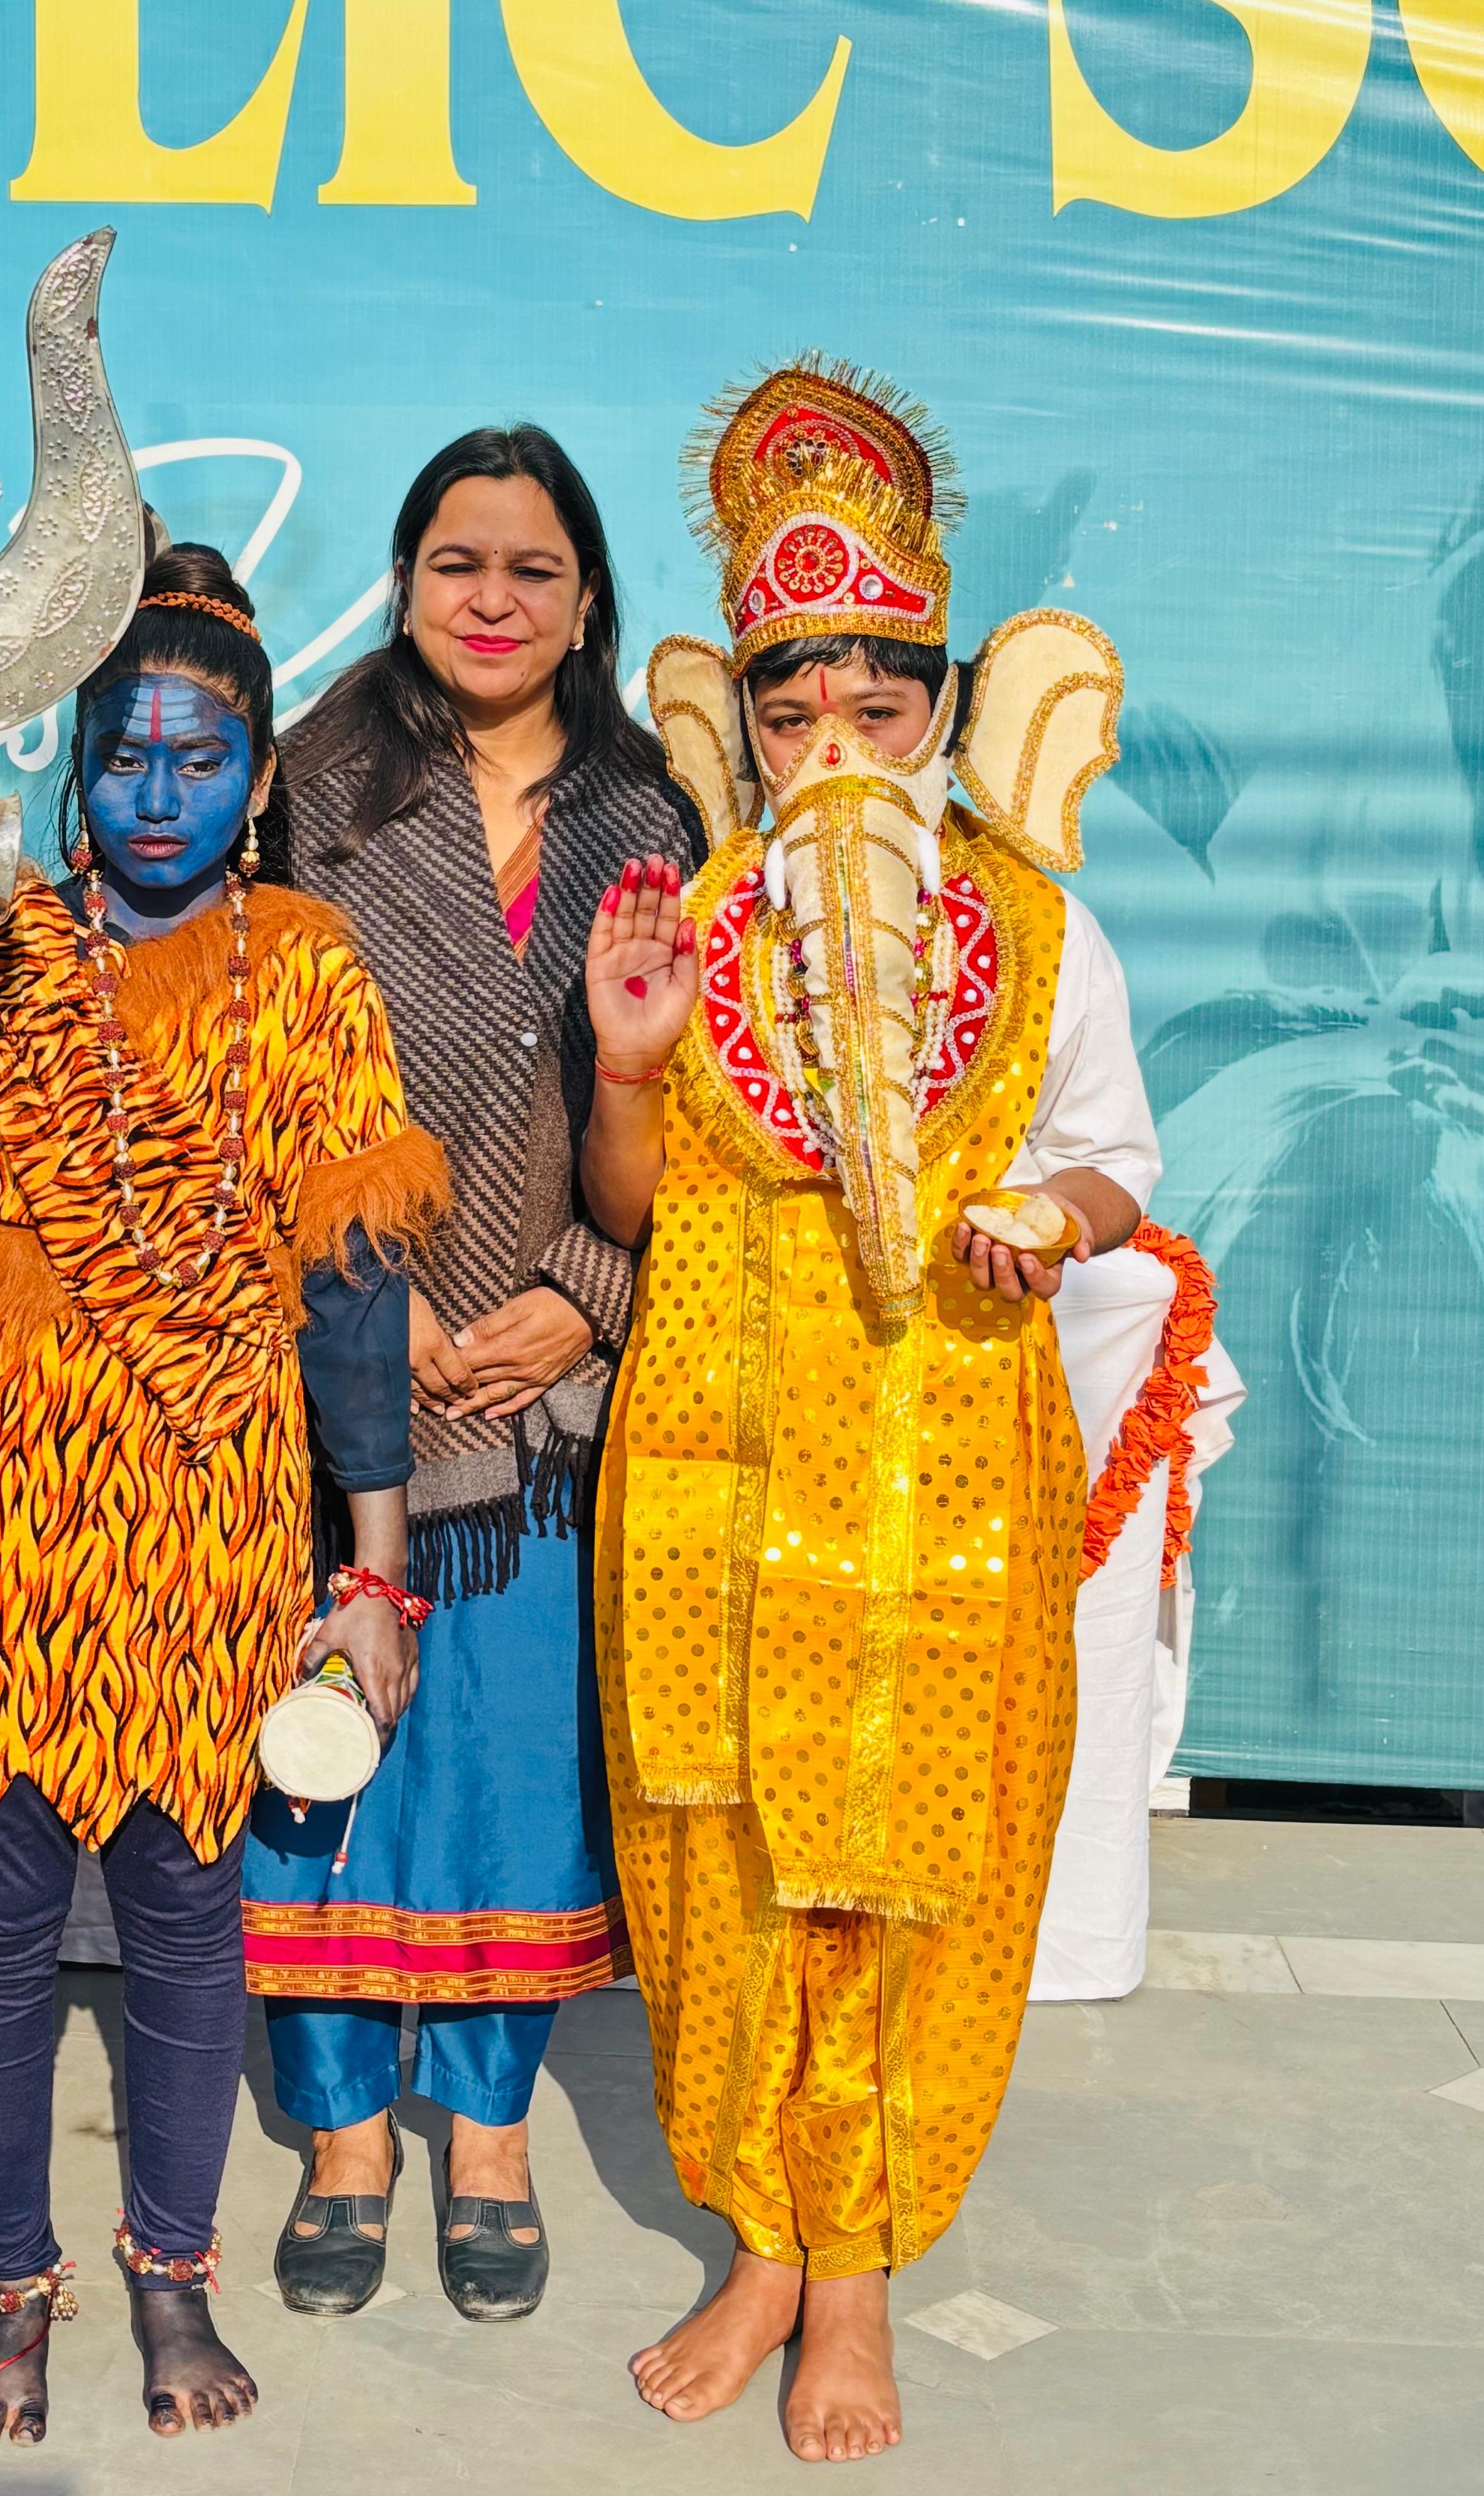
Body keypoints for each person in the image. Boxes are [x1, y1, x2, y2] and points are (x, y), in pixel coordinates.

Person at [580, 364, 1160, 2463]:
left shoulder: (1044, 930)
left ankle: (857, 2277)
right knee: (723, 1868)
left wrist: (1051, 1219)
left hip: (944, 1459)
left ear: (947, 706)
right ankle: (756, 2242)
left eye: (878, 708)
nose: (836, 751)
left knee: (912, 1876)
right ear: (740, 716)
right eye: (795, 712)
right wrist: (627, 1062)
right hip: (717, 1469)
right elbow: (629, 1210)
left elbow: (1117, 1166)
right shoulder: (691, 919)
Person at [0, 543, 449, 2448]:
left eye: (198, 757)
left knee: (185, 1904)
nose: (157, 792)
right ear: (77, 766)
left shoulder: (308, 967)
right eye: (122, 754)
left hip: (210, 1487)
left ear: (259, 777)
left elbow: (355, 1296)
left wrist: (374, 1573)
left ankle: (174, 2272)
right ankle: (10, 2287)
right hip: (11, 1492)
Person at [239, 428, 701, 2322]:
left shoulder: (655, 818)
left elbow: (686, 1109)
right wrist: (368, 1310)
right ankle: (345, 2138)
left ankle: (491, 2136)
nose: (491, 598)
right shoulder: (308, 790)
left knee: (513, 1765)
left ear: (588, 599)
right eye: (456, 562)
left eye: (531, 567)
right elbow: (236, 1077)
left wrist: (586, 1298)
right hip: (339, 1356)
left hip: (544, 1390)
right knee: (327, 1756)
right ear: (406, 580)